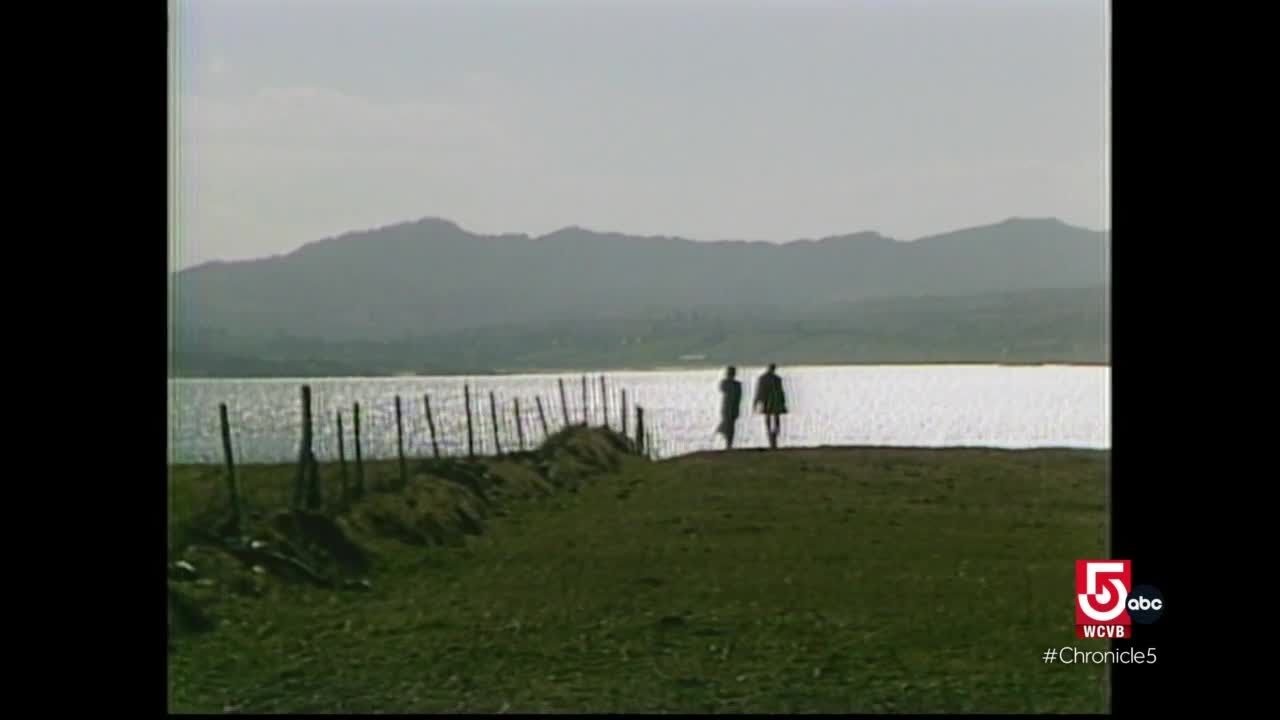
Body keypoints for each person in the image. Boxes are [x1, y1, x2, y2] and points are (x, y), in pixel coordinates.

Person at [754, 363, 788, 449]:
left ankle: (770, 433)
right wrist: (783, 402)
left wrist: (756, 402)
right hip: (774, 401)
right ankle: (774, 433)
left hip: (768, 401)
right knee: (775, 417)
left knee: (769, 417)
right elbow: (781, 392)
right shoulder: (777, 379)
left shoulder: (764, 378)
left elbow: (759, 391)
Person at [716, 366, 742, 449]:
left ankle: (728, 442)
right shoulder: (736, 384)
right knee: (730, 425)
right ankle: (728, 443)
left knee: (729, 425)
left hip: (728, 406)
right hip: (731, 407)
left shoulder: (726, 383)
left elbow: (722, 389)